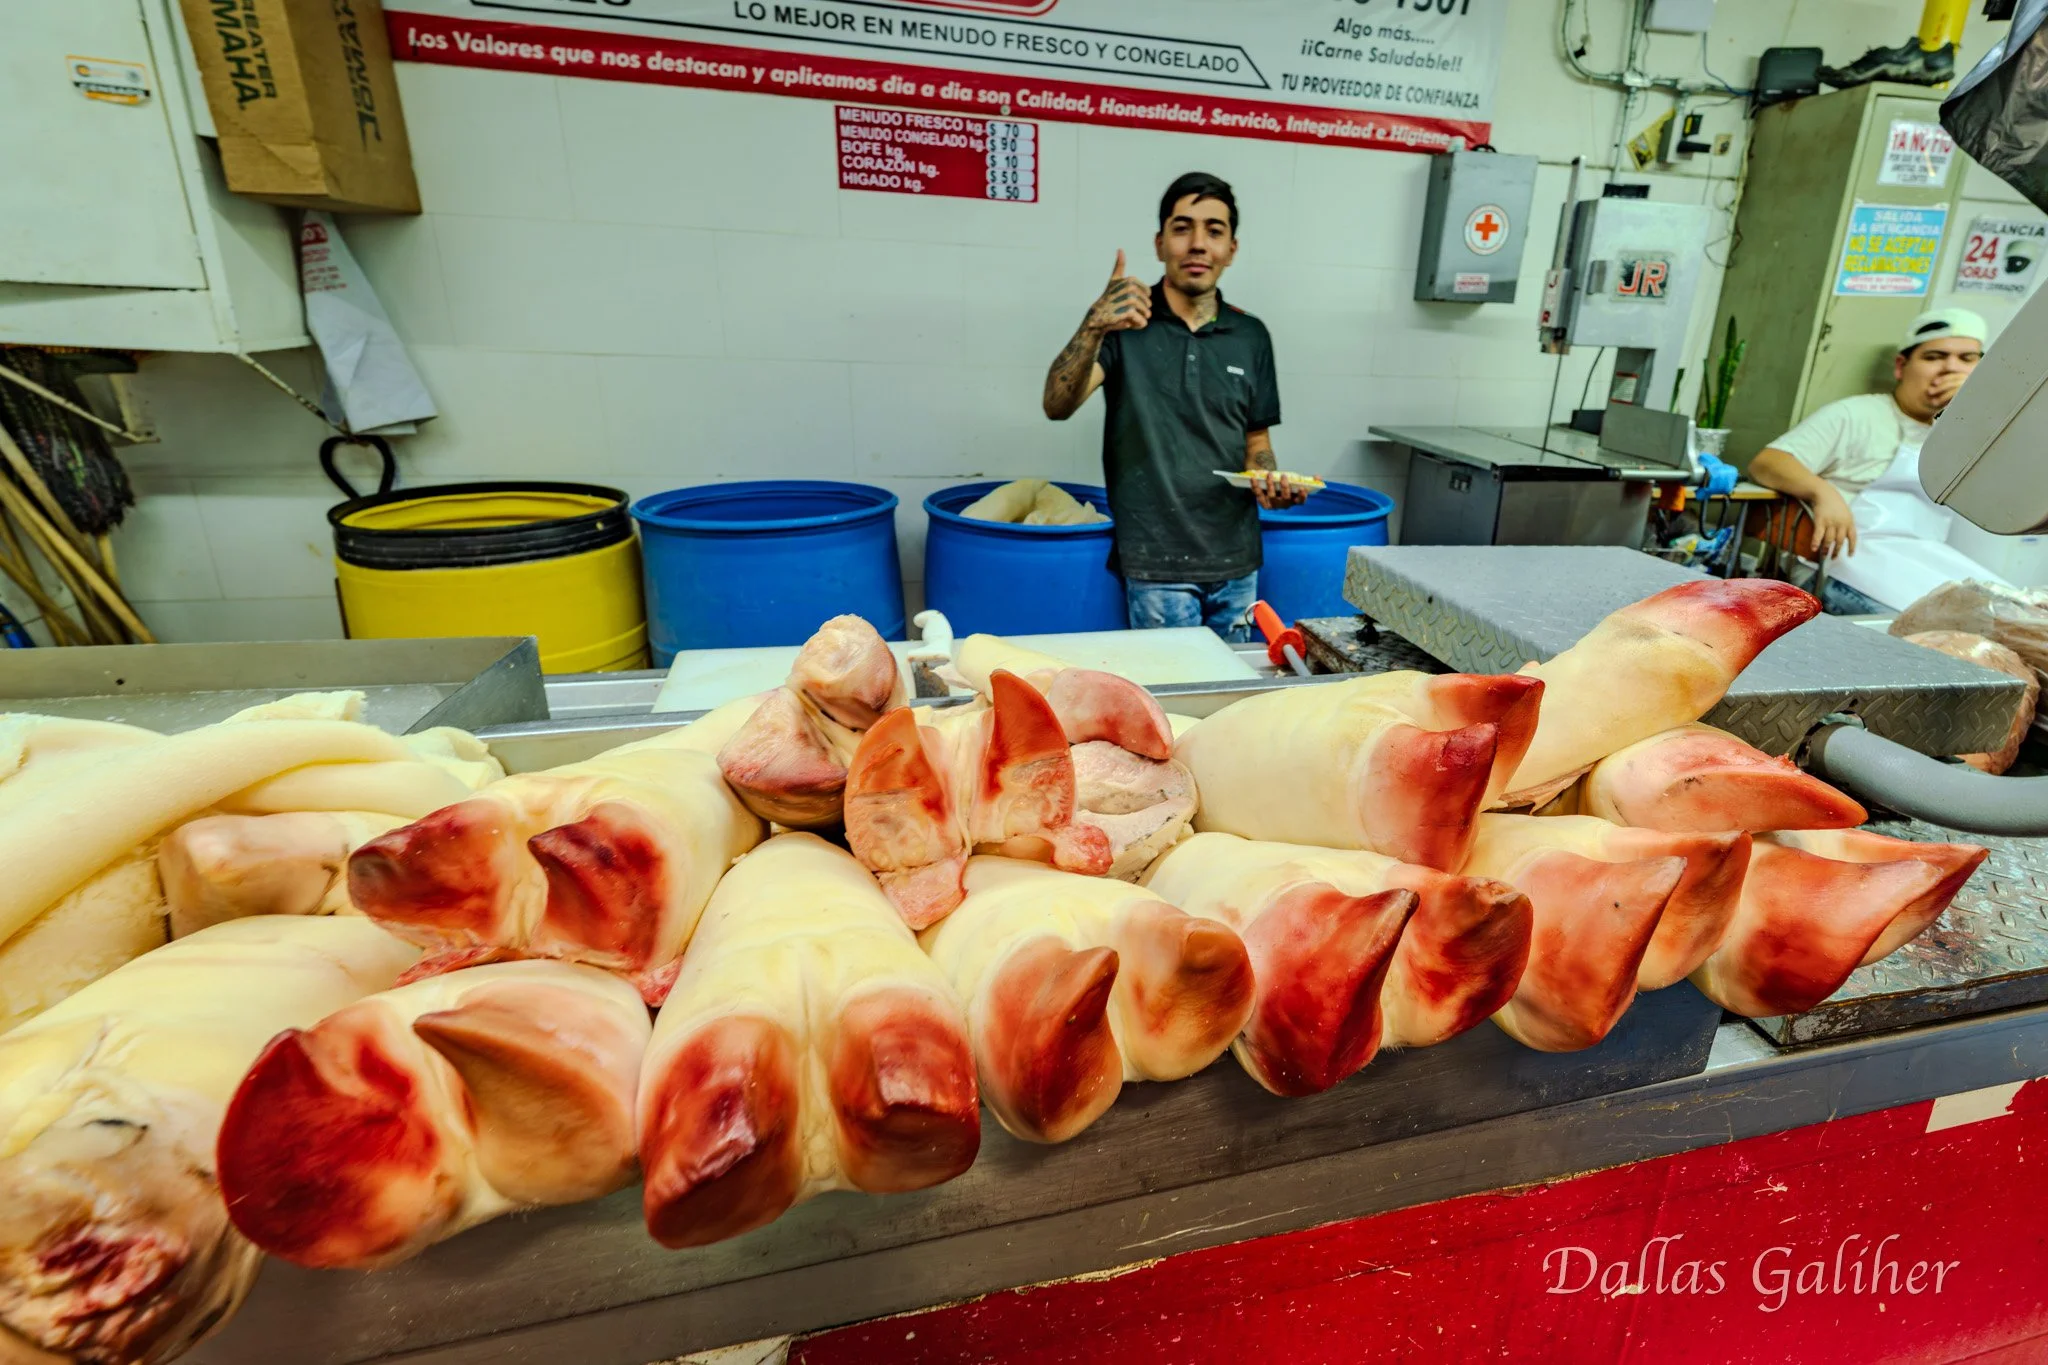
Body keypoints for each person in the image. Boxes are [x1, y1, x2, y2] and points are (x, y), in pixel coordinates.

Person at [1042, 171, 1304, 642]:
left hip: (1237, 561)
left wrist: (1268, 479)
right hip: (1155, 562)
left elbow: (1257, 441)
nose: (1198, 244)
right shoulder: (1125, 328)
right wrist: (1094, 325)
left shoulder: (1251, 335)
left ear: (1231, 250)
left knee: (1234, 698)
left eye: (1214, 230)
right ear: (1161, 243)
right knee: (1174, 703)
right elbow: (1057, 404)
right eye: (1183, 228)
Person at [1747, 307, 2008, 615]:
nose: (1951, 369)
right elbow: (1767, 462)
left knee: (2009, 617)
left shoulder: (1976, 435)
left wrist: (1966, 413)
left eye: (1967, 359)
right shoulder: (1857, 415)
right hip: (1842, 565)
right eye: (1934, 356)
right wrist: (1821, 492)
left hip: (1919, 560)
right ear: (1901, 366)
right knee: (1933, 632)